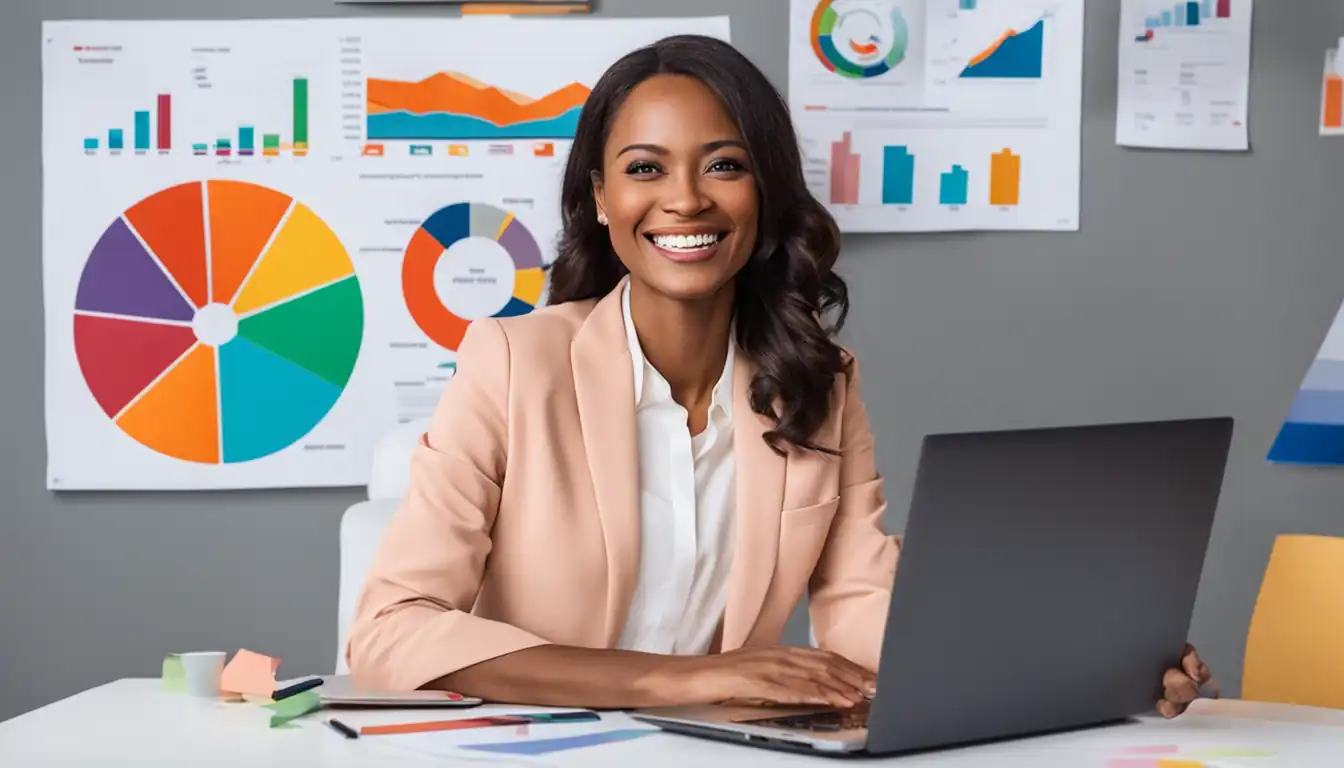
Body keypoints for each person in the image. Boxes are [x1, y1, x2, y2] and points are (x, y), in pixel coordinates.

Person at [347, 34, 1214, 718]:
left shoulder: (819, 382)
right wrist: (670, 681)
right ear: (601, 197)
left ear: (765, 193)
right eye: (645, 168)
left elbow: (865, 606)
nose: (685, 199)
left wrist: (1091, 667)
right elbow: (391, 633)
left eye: (724, 165)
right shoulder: (512, 363)